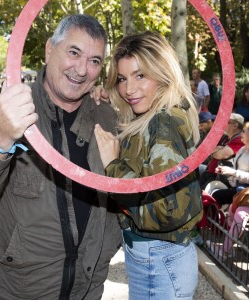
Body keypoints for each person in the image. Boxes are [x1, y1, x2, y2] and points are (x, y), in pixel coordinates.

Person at [0, 14, 121, 300]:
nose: (82, 70)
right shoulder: (4, 109)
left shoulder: (107, 116)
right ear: (48, 49)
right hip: (17, 291)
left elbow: (125, 192)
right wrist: (1, 138)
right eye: (74, 52)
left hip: (87, 290)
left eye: (94, 61)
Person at [94, 31, 203, 300]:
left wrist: (113, 165)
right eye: (122, 79)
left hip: (160, 259)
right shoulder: (156, 114)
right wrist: (100, 94)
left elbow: (166, 211)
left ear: (163, 73)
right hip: (157, 257)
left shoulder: (163, 122)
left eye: (140, 75)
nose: (129, 89)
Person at [206, 122, 249, 207]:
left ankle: (216, 218)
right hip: (235, 184)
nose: (241, 133)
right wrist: (224, 170)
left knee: (216, 196)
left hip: (245, 189)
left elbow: (219, 155)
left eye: (244, 131)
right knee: (208, 191)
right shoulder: (243, 149)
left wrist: (232, 172)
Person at [200, 113, 245, 188]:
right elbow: (208, 150)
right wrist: (219, 148)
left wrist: (218, 149)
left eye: (226, 122)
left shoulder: (239, 139)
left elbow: (219, 155)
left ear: (235, 125)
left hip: (221, 178)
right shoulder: (226, 137)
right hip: (211, 172)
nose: (223, 124)